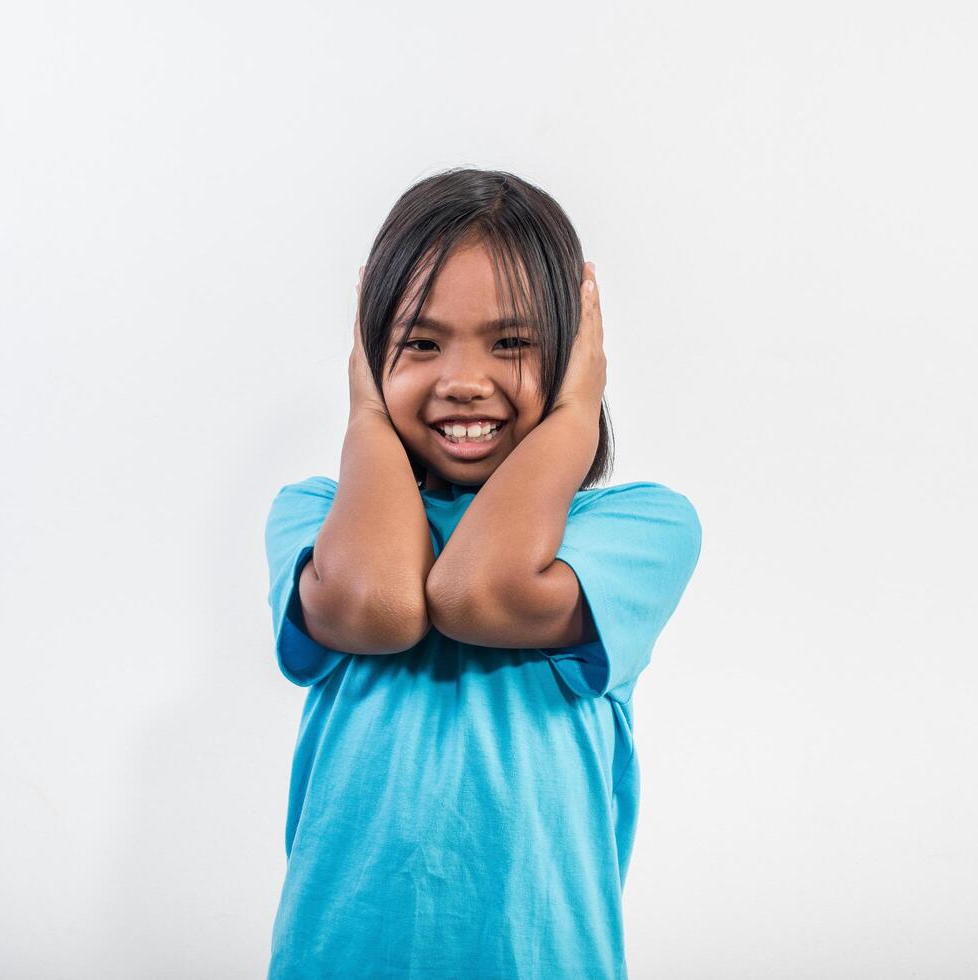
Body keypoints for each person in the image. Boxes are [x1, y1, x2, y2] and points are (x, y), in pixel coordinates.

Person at [262, 168, 702, 978]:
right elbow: (379, 606)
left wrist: (573, 415)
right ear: (367, 355)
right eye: (420, 343)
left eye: (512, 343)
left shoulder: (632, 529)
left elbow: (480, 594)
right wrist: (365, 416)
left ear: (576, 356)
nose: (464, 381)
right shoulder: (315, 520)